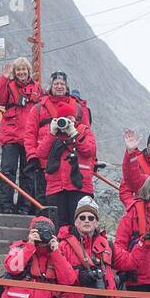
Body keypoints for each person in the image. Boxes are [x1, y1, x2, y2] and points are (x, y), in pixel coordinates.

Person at [35, 71, 96, 229]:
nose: (67, 122)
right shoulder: (53, 134)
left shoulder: (83, 130)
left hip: (80, 186)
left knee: (80, 228)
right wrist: (51, 133)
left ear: (74, 118)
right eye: (63, 120)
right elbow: (41, 153)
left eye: (70, 119)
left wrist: (74, 133)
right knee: (60, 228)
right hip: (56, 187)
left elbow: (89, 151)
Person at [0, 57, 43, 214]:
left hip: (29, 138)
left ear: (28, 71)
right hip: (11, 136)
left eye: (23, 69)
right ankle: (6, 205)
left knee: (28, 174)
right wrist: (4, 77)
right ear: (15, 72)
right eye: (18, 70)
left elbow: (44, 109)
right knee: (8, 171)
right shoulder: (8, 85)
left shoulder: (38, 89)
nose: (21, 72)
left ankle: (24, 207)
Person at [120, 125, 150, 209]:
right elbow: (125, 188)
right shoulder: (136, 159)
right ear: (148, 144)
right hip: (140, 209)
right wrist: (133, 206)